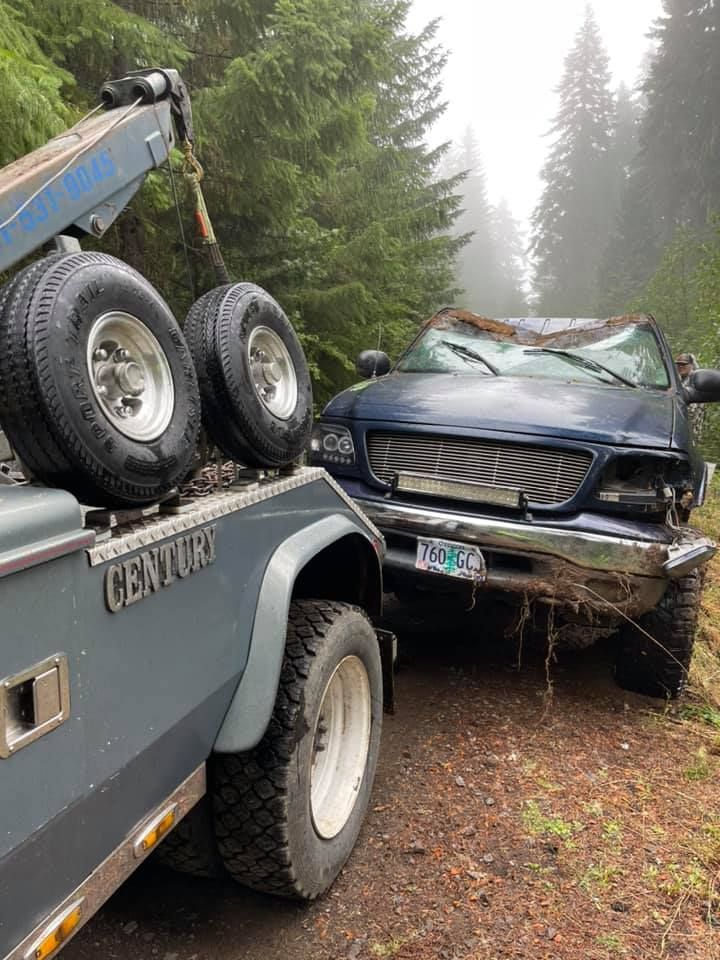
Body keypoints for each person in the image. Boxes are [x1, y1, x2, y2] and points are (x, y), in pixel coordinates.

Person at [675, 352, 705, 444]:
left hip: (690, 434)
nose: (680, 366)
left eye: (683, 364)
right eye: (678, 364)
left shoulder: (695, 381)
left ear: (691, 365)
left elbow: (690, 411)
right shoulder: (680, 381)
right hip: (681, 432)